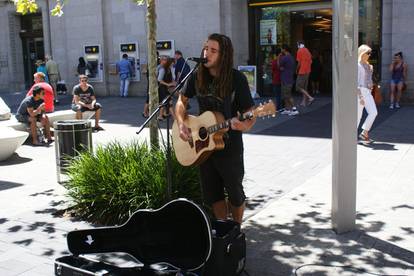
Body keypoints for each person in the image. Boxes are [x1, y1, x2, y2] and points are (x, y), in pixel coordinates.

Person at [175, 33, 256, 224]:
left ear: (224, 55)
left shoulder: (236, 79)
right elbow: (181, 101)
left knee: (235, 193)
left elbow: (250, 111)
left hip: (230, 146)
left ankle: (235, 230)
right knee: (213, 194)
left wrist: (245, 124)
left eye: (213, 50)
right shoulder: (196, 75)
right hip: (204, 146)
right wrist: (181, 123)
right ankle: (222, 230)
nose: (207, 53)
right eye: (206, 48)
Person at [357, 44, 378, 143]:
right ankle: (352, 136)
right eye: (368, 53)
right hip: (360, 92)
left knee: (373, 112)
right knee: (358, 116)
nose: (369, 55)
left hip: (368, 92)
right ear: (362, 53)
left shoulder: (369, 65)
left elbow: (369, 79)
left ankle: (364, 132)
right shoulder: (357, 65)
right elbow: (356, 82)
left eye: (370, 53)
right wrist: (360, 97)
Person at [279, 44, 298, 116]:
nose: (281, 50)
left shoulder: (285, 58)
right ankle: (287, 109)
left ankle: (294, 109)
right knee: (285, 95)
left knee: (288, 95)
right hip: (288, 78)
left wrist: (279, 57)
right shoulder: (291, 57)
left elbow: (279, 65)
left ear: (284, 49)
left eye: (281, 49)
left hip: (286, 79)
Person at [295, 41, 314, 106]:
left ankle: (310, 97)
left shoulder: (299, 51)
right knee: (304, 87)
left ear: (299, 44)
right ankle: (304, 102)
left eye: (297, 44)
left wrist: (296, 69)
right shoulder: (307, 50)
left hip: (302, 71)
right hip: (308, 71)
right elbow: (311, 61)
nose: (297, 46)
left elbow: (299, 63)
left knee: (298, 87)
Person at [157, 56, 176, 120]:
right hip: (162, 88)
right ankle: (175, 118)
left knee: (165, 102)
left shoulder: (169, 69)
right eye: (171, 63)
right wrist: (168, 84)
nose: (173, 64)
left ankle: (161, 115)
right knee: (168, 102)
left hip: (166, 88)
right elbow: (159, 80)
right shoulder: (162, 69)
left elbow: (170, 78)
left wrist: (173, 83)